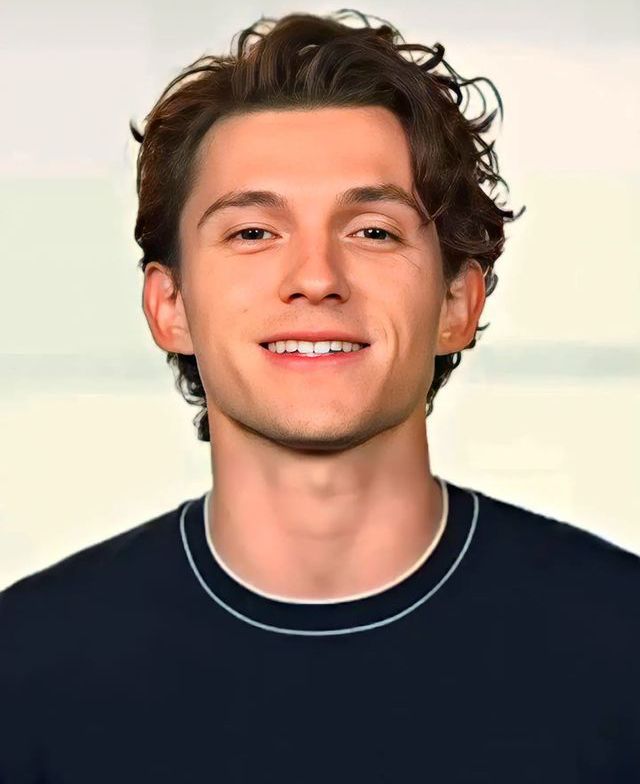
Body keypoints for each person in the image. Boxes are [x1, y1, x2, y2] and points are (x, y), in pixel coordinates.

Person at [1, 9, 638, 782]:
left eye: (372, 231)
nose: (315, 278)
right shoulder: (25, 672)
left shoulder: (620, 650)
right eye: (252, 233)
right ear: (170, 307)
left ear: (455, 305)